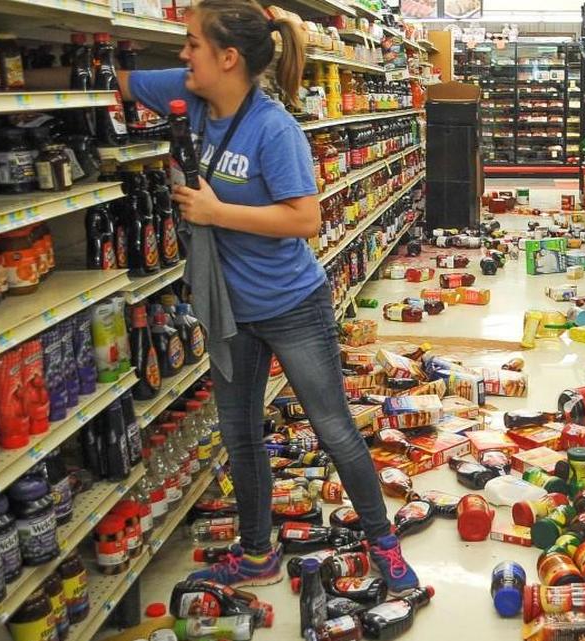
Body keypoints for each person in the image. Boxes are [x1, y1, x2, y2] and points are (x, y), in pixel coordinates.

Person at [119, 0, 420, 593]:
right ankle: (257, 553)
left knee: (334, 429)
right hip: (228, 311)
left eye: (192, 44)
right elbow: (116, 82)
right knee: (240, 435)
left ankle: (383, 543)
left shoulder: (273, 128)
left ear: (228, 58)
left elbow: (306, 219)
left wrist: (216, 210)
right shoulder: (186, 92)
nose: (182, 54)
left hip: (290, 306)